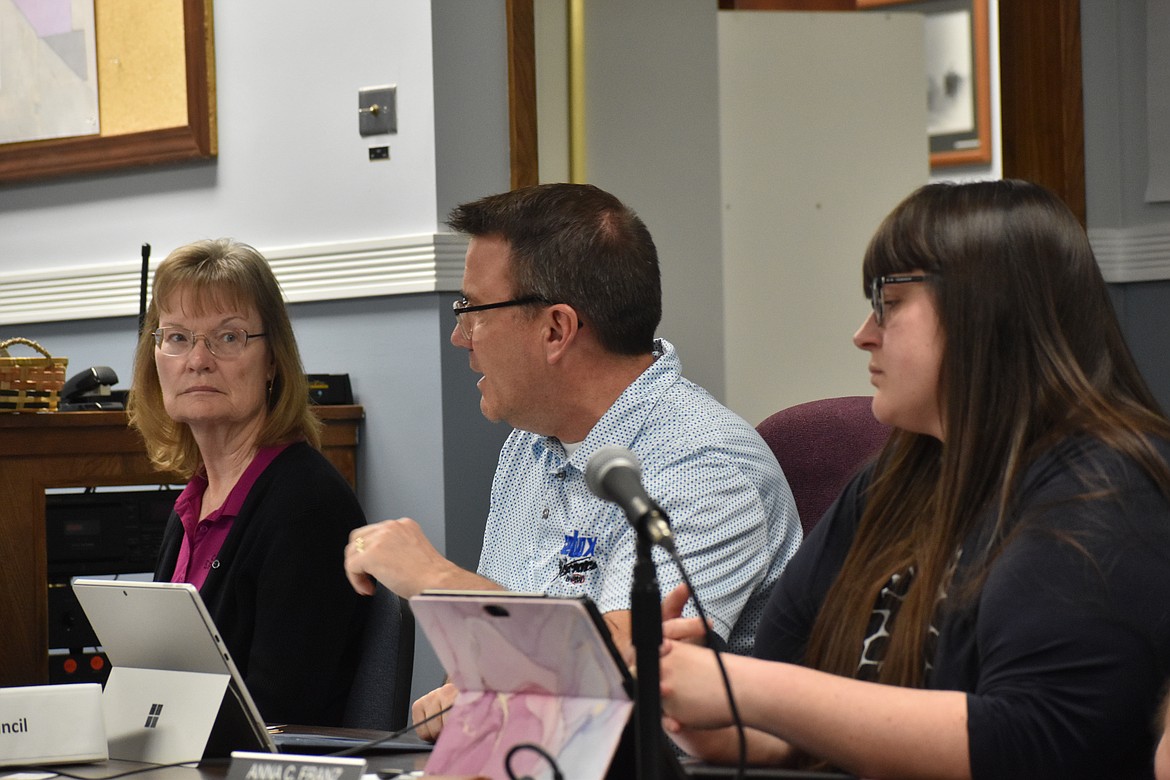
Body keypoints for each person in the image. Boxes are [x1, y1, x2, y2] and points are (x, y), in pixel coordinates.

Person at [656, 179, 1170, 780]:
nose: (863, 334)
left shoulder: (1108, 487)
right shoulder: (898, 477)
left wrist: (744, 689)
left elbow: (1032, 741)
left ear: (985, 309)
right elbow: (795, 705)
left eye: (889, 303)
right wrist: (725, 729)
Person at [344, 182, 802, 738]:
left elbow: (619, 682)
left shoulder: (707, 462)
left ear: (556, 329)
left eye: (473, 310)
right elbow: (500, 674)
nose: (460, 336)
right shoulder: (529, 446)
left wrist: (435, 578)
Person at [128, 238, 369, 727]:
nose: (198, 360)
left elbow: (277, 715)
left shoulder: (306, 506)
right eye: (176, 337)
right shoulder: (194, 504)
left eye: (229, 337)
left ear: (273, 361)